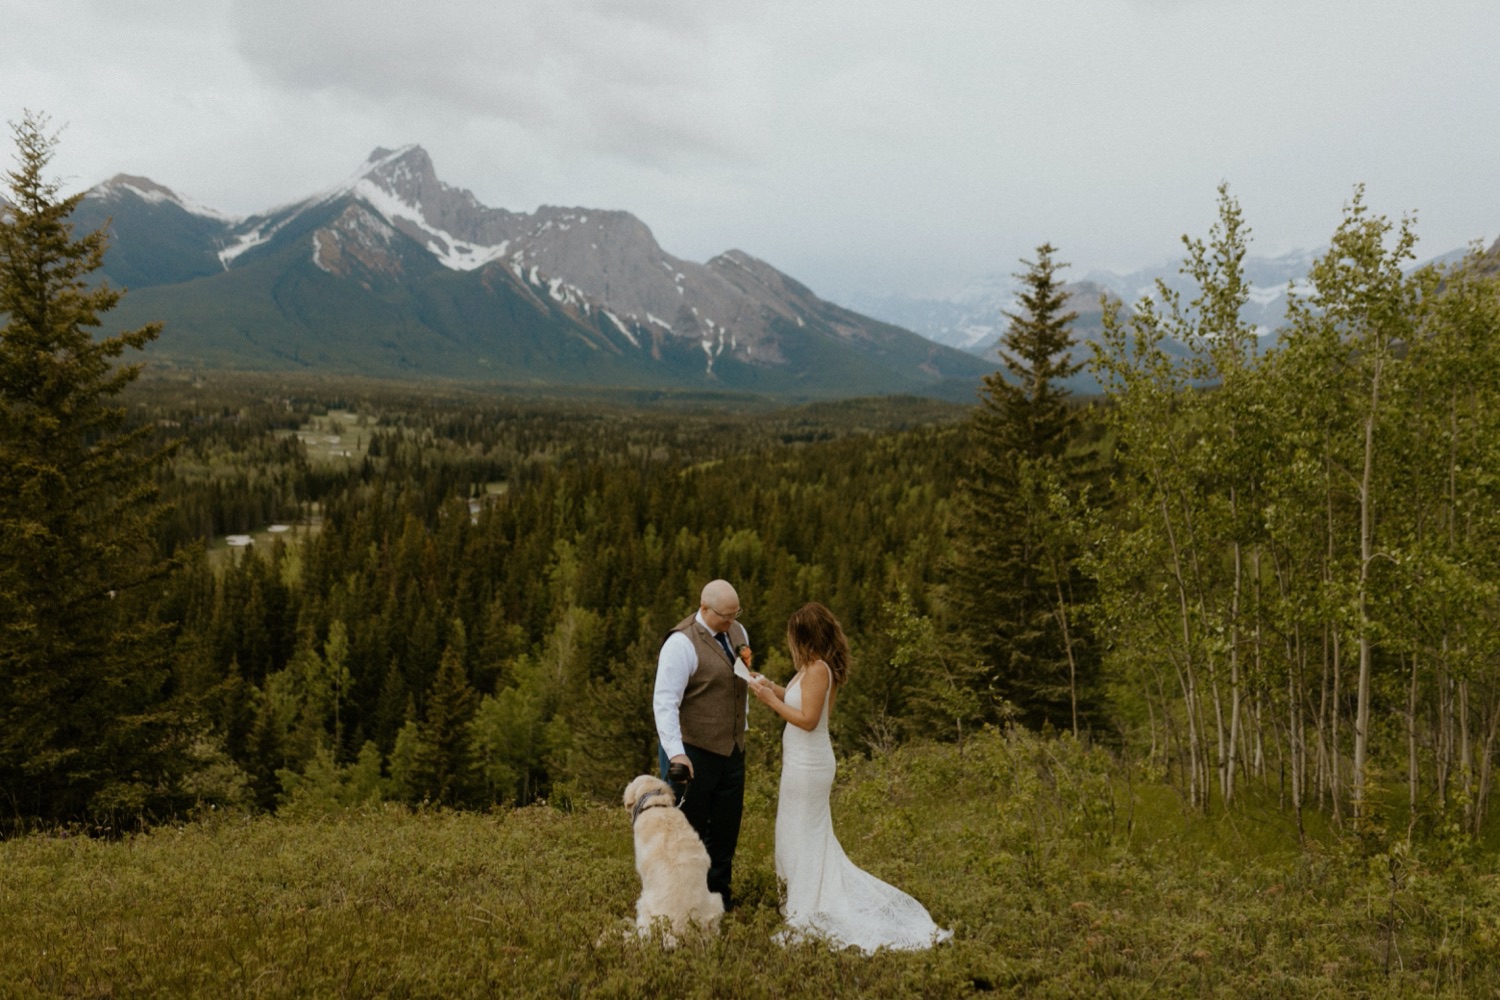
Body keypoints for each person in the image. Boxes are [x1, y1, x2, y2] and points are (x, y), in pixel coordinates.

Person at [749, 602, 951, 953]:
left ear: (806, 636)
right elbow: (798, 702)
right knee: (793, 831)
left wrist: (769, 701)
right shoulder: (810, 668)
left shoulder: (819, 670)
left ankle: (810, 904)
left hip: (809, 765)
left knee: (803, 833)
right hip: (799, 762)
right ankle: (801, 898)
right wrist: (771, 686)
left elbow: (809, 720)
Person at [653, 579, 755, 911]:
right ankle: (679, 905)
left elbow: (737, 683)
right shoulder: (680, 644)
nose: (731, 621)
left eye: (735, 613)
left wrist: (743, 725)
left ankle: (719, 902)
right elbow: (665, 703)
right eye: (725, 615)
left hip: (731, 751)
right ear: (704, 609)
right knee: (686, 833)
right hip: (692, 751)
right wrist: (676, 754)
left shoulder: (738, 632)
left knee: (725, 831)